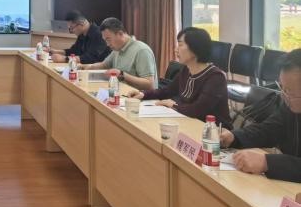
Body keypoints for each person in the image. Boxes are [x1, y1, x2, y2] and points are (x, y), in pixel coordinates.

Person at [219, 49, 301, 182]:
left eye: (290, 92)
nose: (283, 95)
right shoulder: (289, 106)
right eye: (282, 88)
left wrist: (267, 162)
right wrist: (234, 137)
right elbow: (268, 130)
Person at [128, 27, 231, 128]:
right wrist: (143, 94)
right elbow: (167, 91)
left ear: (195, 48)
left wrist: (173, 105)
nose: (176, 49)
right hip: (186, 120)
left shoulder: (215, 77)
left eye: (180, 45)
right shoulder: (186, 70)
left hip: (212, 131)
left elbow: (198, 110)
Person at [79, 17, 157, 90]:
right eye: (105, 40)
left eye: (108, 39)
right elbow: (103, 65)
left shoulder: (141, 50)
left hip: (138, 96)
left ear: (120, 33)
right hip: (120, 91)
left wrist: (122, 75)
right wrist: (82, 67)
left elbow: (150, 84)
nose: (107, 44)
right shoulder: (117, 49)